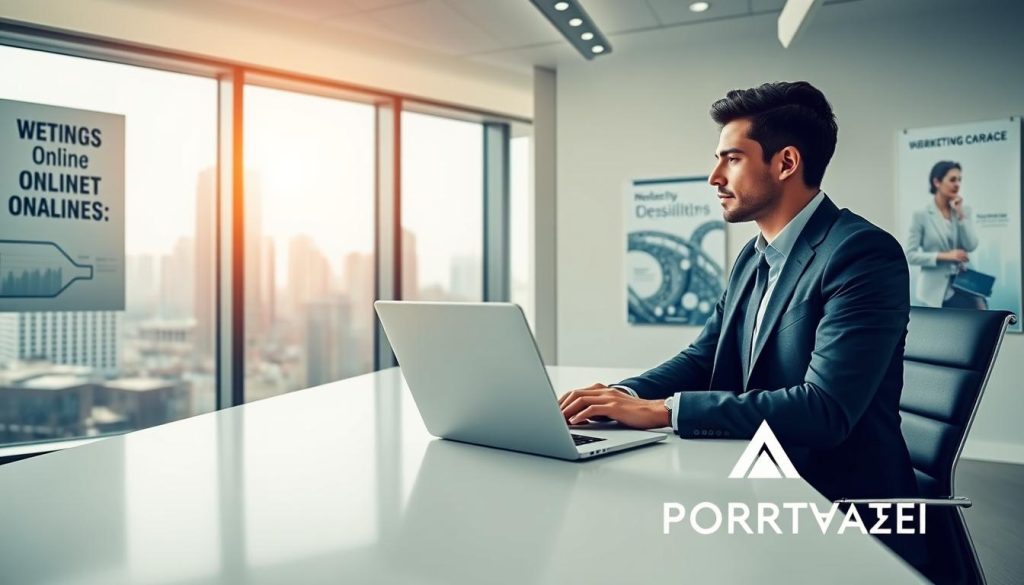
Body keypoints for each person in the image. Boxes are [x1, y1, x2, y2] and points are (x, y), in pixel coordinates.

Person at [558, 82, 922, 561]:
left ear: (786, 162)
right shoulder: (754, 256)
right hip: (760, 477)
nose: (713, 176)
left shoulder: (861, 253)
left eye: (731, 158)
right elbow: (704, 355)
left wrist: (666, 410)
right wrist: (622, 398)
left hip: (836, 504)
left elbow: (825, 411)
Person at [904, 161, 983, 309]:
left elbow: (971, 245)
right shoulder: (921, 215)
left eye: (959, 180)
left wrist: (960, 215)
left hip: (964, 285)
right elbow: (910, 255)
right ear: (937, 182)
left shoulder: (964, 211)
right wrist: (947, 256)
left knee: (981, 315)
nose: (957, 184)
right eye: (952, 180)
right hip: (935, 291)